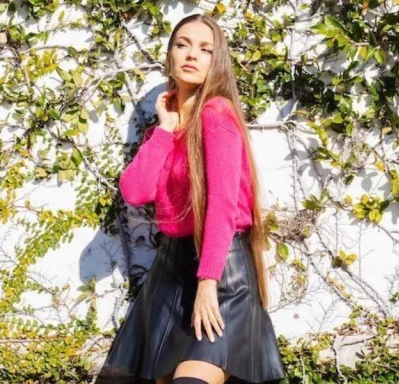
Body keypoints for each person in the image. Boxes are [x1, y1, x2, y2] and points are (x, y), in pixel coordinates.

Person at [101, 13, 285, 384]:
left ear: (217, 61)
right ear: (169, 54)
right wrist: (165, 130)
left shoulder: (217, 116)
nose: (191, 55)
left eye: (205, 49)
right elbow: (135, 191)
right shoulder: (168, 127)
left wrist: (207, 282)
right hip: (169, 272)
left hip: (220, 271)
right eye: (182, 45)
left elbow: (221, 206)